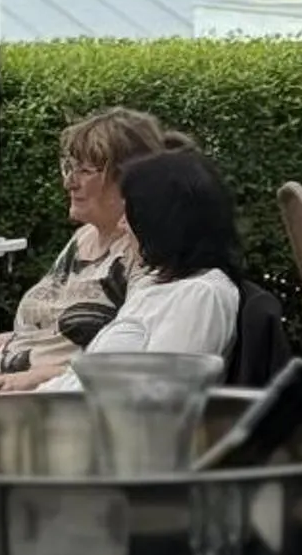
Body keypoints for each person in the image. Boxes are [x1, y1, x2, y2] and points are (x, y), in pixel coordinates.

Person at [0, 107, 183, 395]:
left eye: (85, 171)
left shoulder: (140, 253)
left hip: (54, 398)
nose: (69, 182)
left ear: (128, 178)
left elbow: (131, 359)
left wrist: (40, 377)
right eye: (69, 167)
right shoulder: (82, 239)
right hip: (5, 382)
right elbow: (38, 337)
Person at [37, 148, 249, 388]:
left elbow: (160, 395)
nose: (121, 224)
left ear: (157, 218)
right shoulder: (156, 283)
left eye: (130, 212)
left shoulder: (200, 295)